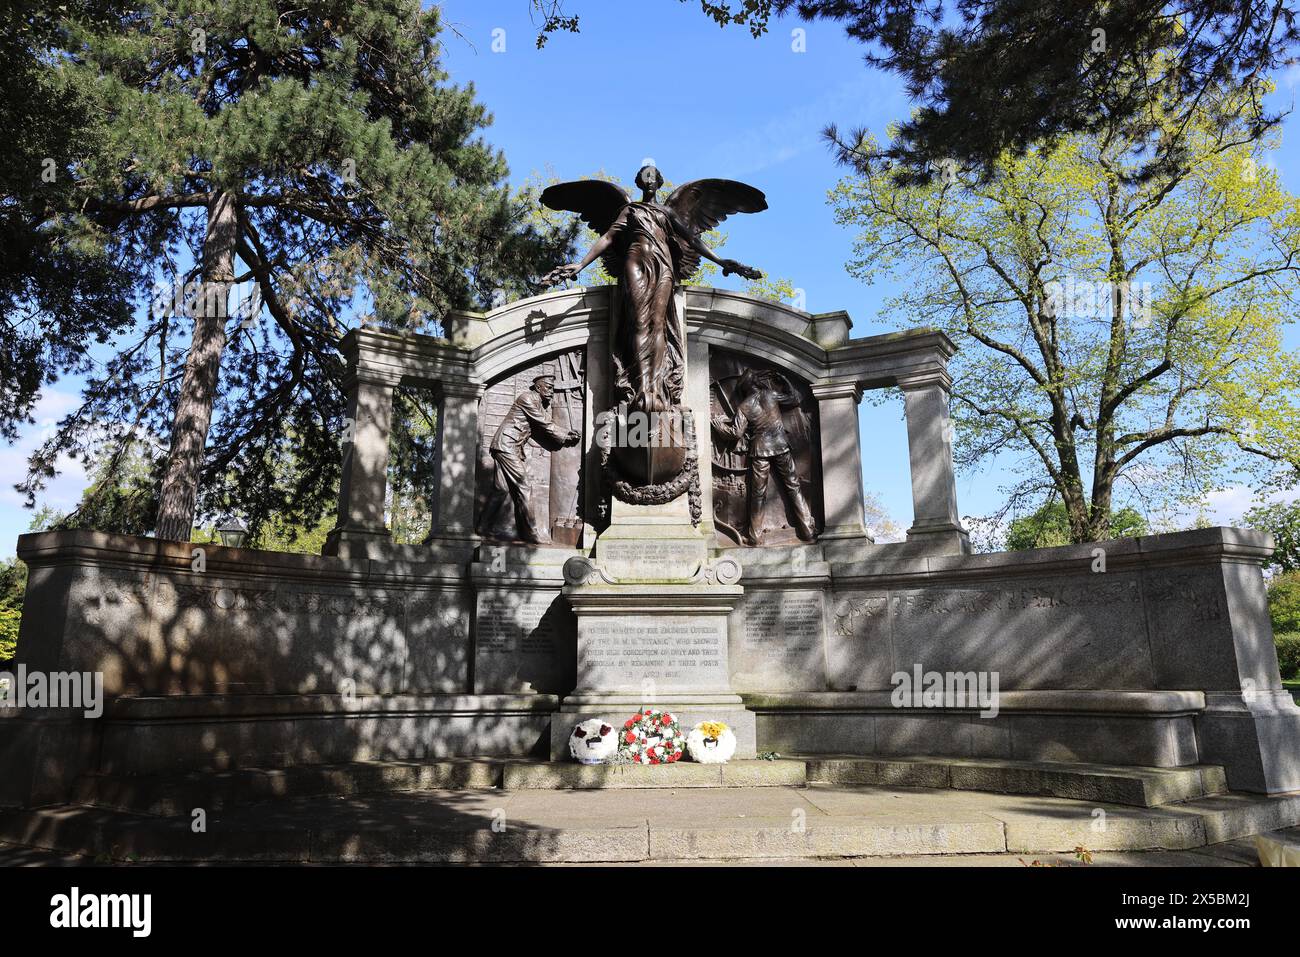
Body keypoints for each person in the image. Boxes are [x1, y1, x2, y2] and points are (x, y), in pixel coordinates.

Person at [712, 369, 816, 545]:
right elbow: (794, 398)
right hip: (781, 446)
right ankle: (807, 530)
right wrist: (784, 381)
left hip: (760, 451)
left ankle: (754, 537)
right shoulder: (770, 394)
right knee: (794, 487)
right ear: (755, 383)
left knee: (758, 495)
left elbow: (735, 432)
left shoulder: (744, 406)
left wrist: (718, 426)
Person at [479, 375, 581, 544]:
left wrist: (567, 433)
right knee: (524, 487)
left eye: (552, 388)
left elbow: (546, 423)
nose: (551, 391)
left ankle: (483, 527)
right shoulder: (527, 398)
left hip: (508, 446)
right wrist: (565, 435)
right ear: (538, 387)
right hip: (507, 445)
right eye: (548, 387)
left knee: (501, 490)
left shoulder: (538, 402)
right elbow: (544, 424)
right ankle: (530, 533)